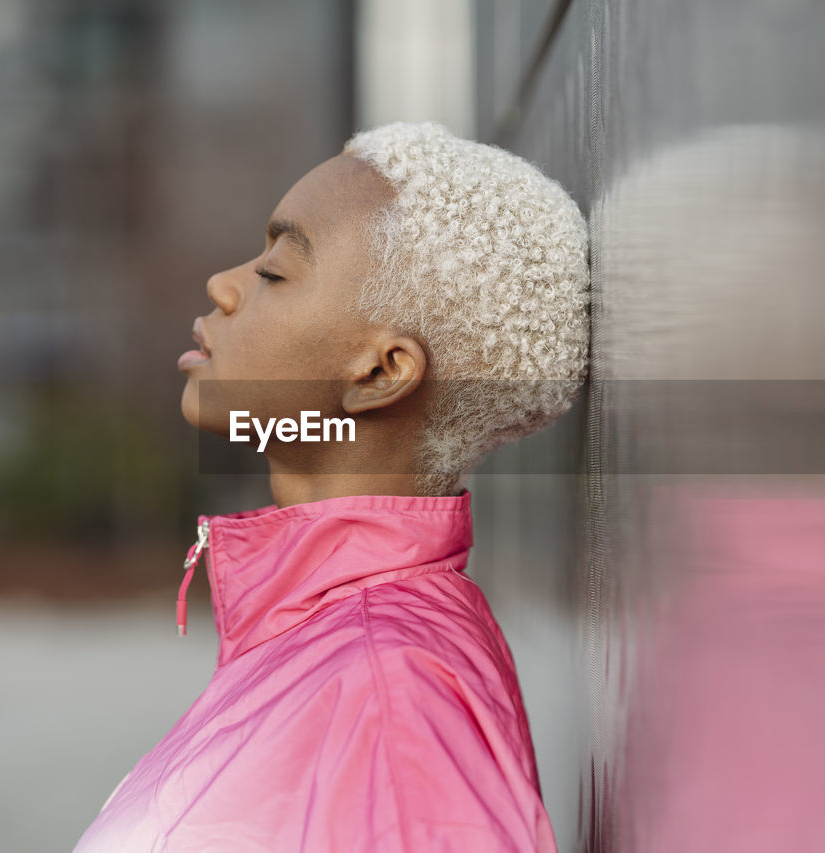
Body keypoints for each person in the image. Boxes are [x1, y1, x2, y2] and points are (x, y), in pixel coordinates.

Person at [73, 121, 589, 852]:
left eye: (276, 270)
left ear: (381, 372)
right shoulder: (333, 646)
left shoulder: (391, 699)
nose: (224, 285)